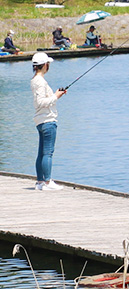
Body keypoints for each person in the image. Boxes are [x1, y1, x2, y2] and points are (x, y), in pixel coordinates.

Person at [30, 51, 67, 191]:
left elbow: (44, 100)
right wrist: (56, 96)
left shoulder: (35, 80)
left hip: (41, 120)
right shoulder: (40, 81)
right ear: (45, 65)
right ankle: (47, 182)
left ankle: (40, 182)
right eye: (48, 64)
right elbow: (40, 103)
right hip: (47, 120)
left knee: (42, 153)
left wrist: (56, 94)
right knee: (48, 153)